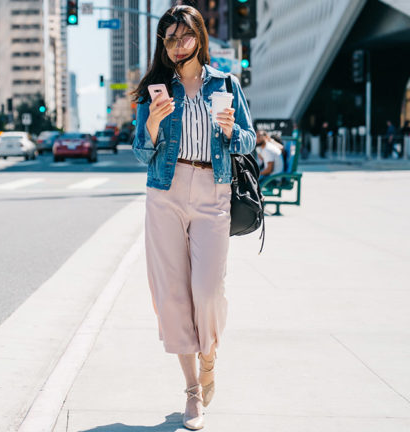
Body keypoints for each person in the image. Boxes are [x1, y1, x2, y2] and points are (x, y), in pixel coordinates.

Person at [130, 5, 256, 430]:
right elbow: (140, 152)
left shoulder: (225, 84)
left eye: (185, 36)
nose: (178, 45)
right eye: (170, 39)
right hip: (164, 192)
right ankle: (191, 392)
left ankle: (209, 360)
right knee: (171, 296)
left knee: (207, 290)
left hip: (212, 191)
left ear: (200, 37)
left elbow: (248, 140)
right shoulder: (156, 87)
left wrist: (228, 130)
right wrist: (151, 124)